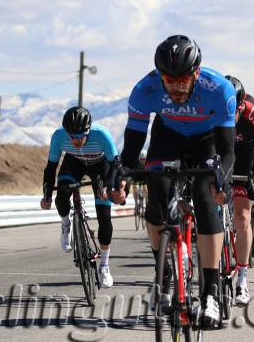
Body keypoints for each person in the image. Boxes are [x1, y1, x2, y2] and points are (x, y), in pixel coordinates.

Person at [112, 35, 236, 327]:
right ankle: (164, 274)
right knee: (157, 194)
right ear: (160, 76)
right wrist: (123, 176)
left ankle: (211, 293)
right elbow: (132, 146)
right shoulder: (145, 90)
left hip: (206, 141)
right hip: (167, 137)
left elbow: (228, 150)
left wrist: (223, 180)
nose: (177, 86)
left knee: (206, 201)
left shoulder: (219, 89)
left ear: (196, 73)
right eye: (170, 79)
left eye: (183, 79)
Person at [40, 106, 123, 289]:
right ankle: (66, 225)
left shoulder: (102, 135)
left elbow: (116, 165)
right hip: (73, 163)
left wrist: (109, 186)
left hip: (100, 166)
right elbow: (51, 168)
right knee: (61, 196)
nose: (75, 140)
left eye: (80, 136)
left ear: (88, 130)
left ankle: (104, 266)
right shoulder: (58, 136)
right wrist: (46, 194)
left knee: (104, 216)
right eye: (71, 136)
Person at [226, 75, 254, 307]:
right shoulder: (213, 111)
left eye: (233, 110)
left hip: (247, 158)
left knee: (243, 216)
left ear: (241, 105)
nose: (228, 115)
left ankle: (242, 279)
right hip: (222, 153)